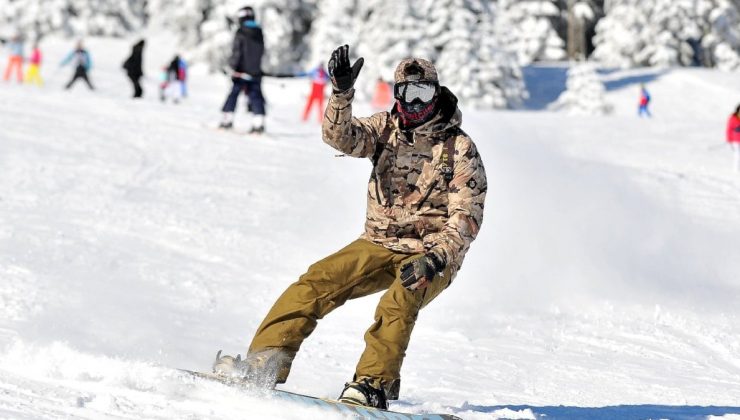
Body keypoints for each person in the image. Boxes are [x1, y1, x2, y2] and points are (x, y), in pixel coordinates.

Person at [212, 45, 488, 410]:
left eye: (423, 93)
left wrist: (436, 258)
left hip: (430, 253)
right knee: (316, 282)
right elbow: (341, 138)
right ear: (398, 94)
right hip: (379, 241)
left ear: (436, 95)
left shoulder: (459, 148)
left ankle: (372, 384)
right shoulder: (384, 128)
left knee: (399, 299)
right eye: (408, 93)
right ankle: (263, 364)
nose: (415, 102)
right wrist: (341, 94)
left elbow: (466, 216)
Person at [219, 6, 266, 133]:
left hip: (240, 71)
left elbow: (237, 52)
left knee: (233, 94)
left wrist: (231, 67)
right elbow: (261, 52)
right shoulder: (259, 32)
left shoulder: (241, 31)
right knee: (256, 96)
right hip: (255, 72)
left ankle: (226, 120)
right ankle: (259, 124)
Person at [727, 104, 740, 172]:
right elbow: (729, 129)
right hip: (736, 140)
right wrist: (729, 139)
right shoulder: (733, 118)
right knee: (737, 154)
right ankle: (736, 170)